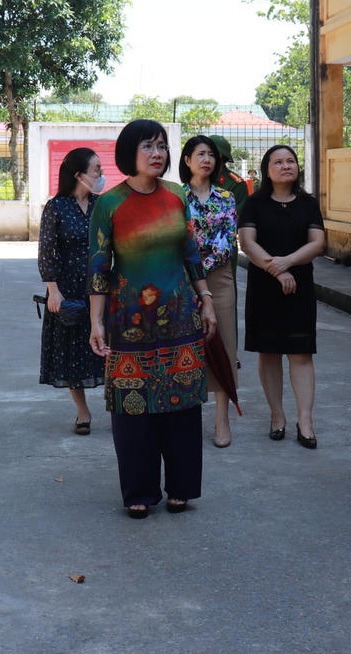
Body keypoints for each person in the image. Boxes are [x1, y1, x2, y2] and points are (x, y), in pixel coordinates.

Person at [88, 119, 217, 519]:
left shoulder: (178, 196)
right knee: (132, 407)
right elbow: (98, 268)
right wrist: (97, 322)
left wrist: (206, 299)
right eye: (148, 146)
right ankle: (139, 491)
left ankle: (181, 487)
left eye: (161, 145)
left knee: (181, 405)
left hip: (180, 319)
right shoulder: (109, 204)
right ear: (130, 153)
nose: (157, 153)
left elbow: (192, 253)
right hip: (129, 323)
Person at [238, 144, 325, 448]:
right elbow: (248, 243)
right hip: (264, 285)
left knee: (301, 353)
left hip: (299, 284)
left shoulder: (308, 203)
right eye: (278, 161)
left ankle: (305, 420)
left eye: (291, 161)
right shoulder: (254, 203)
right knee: (269, 351)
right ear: (267, 168)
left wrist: (288, 262)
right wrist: (277, 270)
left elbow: (317, 242)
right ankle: (277, 415)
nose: (286, 166)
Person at [38, 147, 106, 433]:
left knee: (106, 347)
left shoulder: (103, 205)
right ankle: (82, 412)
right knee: (72, 353)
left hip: (101, 288)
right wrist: (53, 291)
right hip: (69, 290)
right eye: (97, 170)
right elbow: (47, 252)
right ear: (79, 175)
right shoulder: (56, 207)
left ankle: (119, 403)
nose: (101, 176)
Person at [180, 135, 240, 448]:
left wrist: (201, 263)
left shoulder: (226, 196)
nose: (207, 159)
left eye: (211, 155)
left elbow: (229, 238)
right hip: (182, 279)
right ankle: (186, 416)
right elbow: (175, 238)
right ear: (187, 160)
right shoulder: (176, 198)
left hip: (219, 278)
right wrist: (192, 269)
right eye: (200, 154)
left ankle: (222, 418)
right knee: (187, 345)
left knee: (224, 343)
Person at [209, 135, 249, 213]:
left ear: (219, 155)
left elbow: (237, 219)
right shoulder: (198, 179)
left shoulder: (236, 185)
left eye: (209, 152)